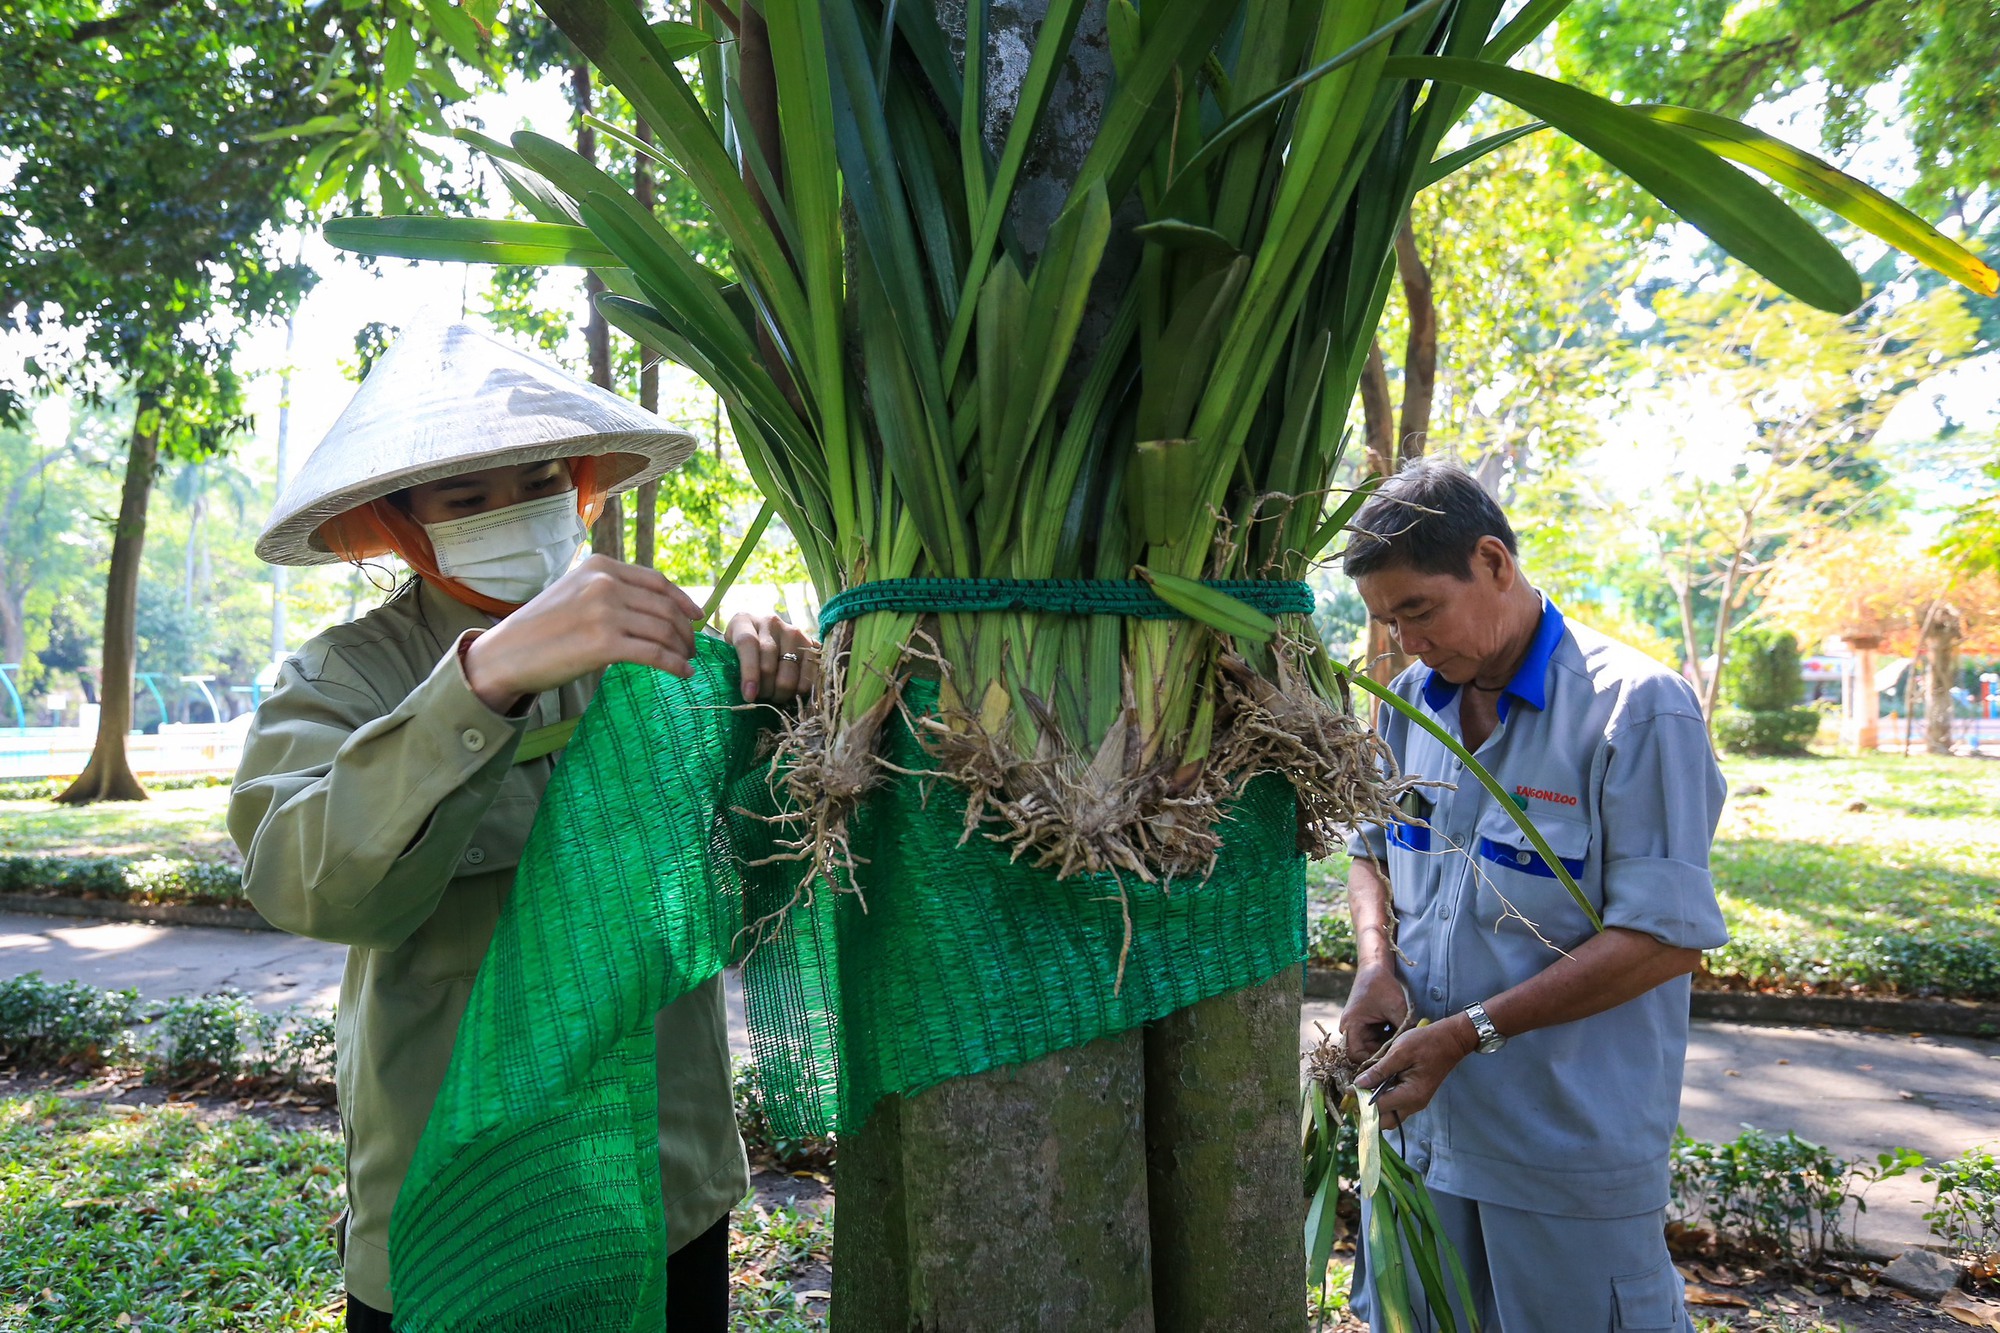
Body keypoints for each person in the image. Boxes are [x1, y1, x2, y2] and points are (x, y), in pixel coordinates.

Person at [229, 323, 817, 1332]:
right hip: (454, 1192)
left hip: (661, 1184)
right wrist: (484, 681)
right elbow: (301, 881)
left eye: (539, 479)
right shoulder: (343, 678)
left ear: (581, 483)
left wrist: (784, 714)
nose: (513, 512)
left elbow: (756, 883)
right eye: (466, 499)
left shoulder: (662, 648)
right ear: (404, 522)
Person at [1338, 459, 1727, 1332]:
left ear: (1493, 561)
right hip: (1421, 1136)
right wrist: (1375, 965)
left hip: (1562, 1149)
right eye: (1386, 621)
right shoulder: (1407, 705)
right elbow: (1371, 850)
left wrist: (1470, 1032)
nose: (1404, 642)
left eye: (1417, 610)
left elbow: (1665, 937)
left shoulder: (1636, 708)